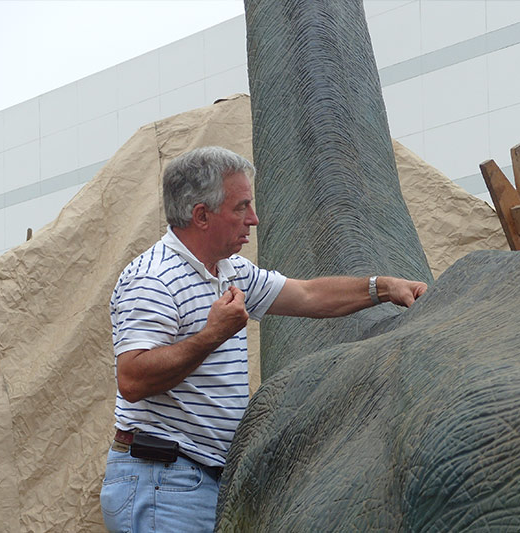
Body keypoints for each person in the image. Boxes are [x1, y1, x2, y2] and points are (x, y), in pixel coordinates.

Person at [99, 146, 427, 532]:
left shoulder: (229, 270)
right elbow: (133, 379)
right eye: (241, 207)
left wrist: (383, 287)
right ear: (201, 215)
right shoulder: (153, 279)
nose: (253, 220)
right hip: (163, 483)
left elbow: (307, 296)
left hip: (197, 480)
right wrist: (212, 335)